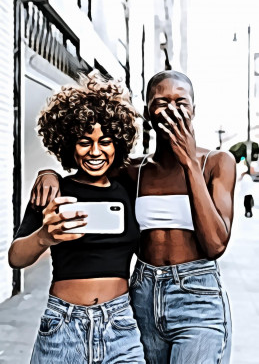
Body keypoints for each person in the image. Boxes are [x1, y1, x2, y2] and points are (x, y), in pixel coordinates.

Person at [29, 70, 236, 364]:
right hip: (142, 294)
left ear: (194, 109)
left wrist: (188, 161)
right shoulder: (133, 171)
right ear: (147, 112)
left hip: (197, 297)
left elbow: (215, 244)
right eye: (161, 102)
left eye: (181, 102)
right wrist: (47, 173)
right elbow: (87, 169)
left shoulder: (216, 162)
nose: (172, 110)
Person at [8, 71, 145, 364]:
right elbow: (15, 258)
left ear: (117, 143)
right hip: (62, 327)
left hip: (119, 326)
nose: (95, 151)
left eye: (105, 141)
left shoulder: (129, 191)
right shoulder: (53, 192)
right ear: (69, 143)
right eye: (85, 142)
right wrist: (44, 236)